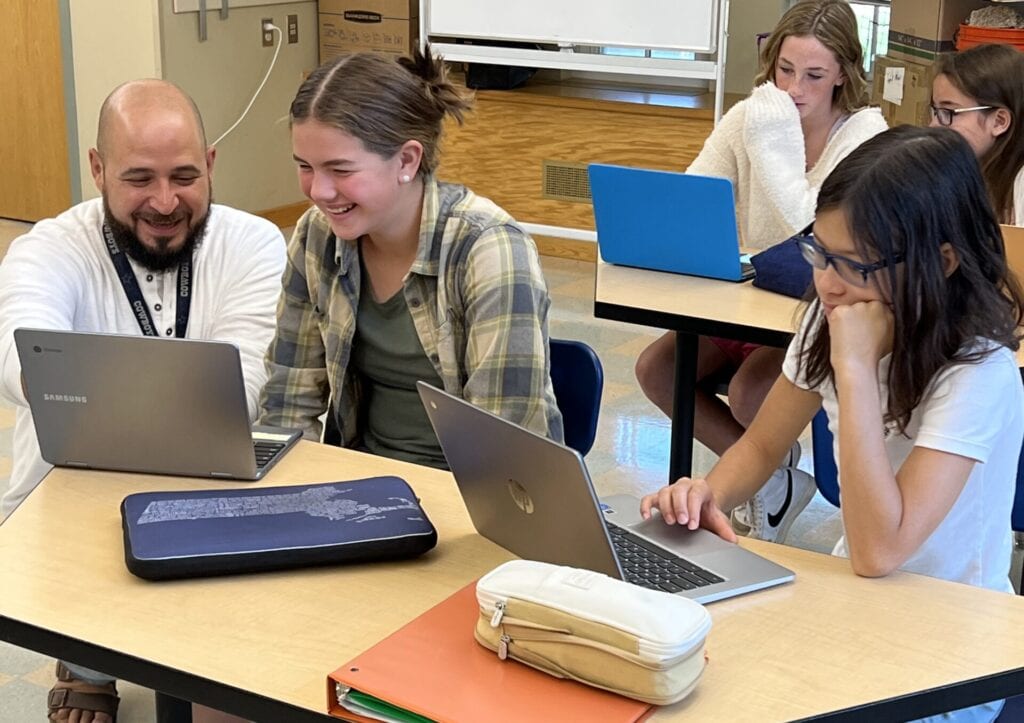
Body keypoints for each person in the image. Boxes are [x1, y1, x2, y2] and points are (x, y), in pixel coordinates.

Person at [641, 125, 1023, 723]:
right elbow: (764, 443)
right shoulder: (837, 315)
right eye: (818, 252)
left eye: (852, 264)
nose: (826, 281)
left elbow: (881, 549)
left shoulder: (978, 371)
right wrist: (706, 494)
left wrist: (853, 368)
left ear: (941, 260)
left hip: (953, 647)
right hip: (860, 602)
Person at [0, 80, 287, 722]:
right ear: (98, 170)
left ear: (212, 163)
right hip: (76, 494)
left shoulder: (256, 243)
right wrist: (173, 396)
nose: (165, 201)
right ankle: (86, 661)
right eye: (139, 179)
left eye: (185, 175)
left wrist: (84, 389)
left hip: (209, 484)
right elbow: (18, 358)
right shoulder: (48, 247)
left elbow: (244, 388)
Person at [634, 0, 887, 544]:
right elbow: (695, 193)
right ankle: (773, 484)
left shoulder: (864, 138)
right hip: (756, 299)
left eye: (814, 75)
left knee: (753, 392)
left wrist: (774, 144)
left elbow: (815, 235)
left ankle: (768, 478)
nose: (795, 88)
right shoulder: (755, 115)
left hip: (817, 307)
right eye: (785, 70)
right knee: (657, 371)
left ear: (843, 74)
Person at [257, 47, 563, 461]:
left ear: (406, 160)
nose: (318, 191)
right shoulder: (317, 235)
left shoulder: (489, 249)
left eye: (341, 170)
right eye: (305, 166)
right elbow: (288, 406)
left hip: (469, 494)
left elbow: (503, 449)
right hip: (362, 486)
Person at [931, 42, 1024, 226]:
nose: (933, 125)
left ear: (999, 122)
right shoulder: (964, 171)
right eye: (935, 111)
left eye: (948, 113)